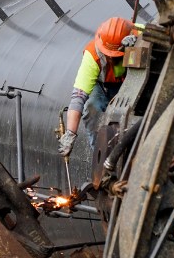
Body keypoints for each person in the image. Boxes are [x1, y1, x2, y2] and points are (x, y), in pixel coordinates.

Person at [59, 16, 139, 158]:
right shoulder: (93, 54)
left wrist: (141, 45)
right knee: (92, 107)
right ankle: (101, 157)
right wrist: (70, 134)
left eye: (116, 55)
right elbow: (78, 97)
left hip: (133, 82)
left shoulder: (140, 33)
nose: (111, 58)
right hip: (102, 86)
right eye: (109, 54)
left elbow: (165, 35)